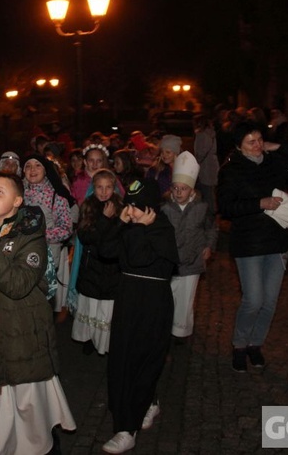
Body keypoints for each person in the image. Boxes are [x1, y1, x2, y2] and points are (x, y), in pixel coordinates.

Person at [0, 172, 76, 455]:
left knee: (26, 403)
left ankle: (38, 447)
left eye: (0, 192)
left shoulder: (30, 236)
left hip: (22, 332)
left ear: (18, 201)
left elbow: (19, 284)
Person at [217, 120, 288, 373]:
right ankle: (239, 345)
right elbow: (226, 207)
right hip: (249, 242)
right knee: (253, 300)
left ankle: (255, 344)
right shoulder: (231, 170)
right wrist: (259, 203)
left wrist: (278, 146)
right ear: (239, 146)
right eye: (251, 141)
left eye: (259, 139)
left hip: (279, 240)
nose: (257, 145)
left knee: (269, 301)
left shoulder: (275, 162)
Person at [99, 178, 179, 454]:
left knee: (143, 360)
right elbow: (106, 250)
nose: (131, 212)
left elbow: (139, 257)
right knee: (123, 361)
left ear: (152, 207)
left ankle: (127, 429)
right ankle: (147, 404)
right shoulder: (131, 225)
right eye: (129, 205)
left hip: (152, 305)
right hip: (128, 302)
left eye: (137, 207)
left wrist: (138, 229)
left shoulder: (161, 229)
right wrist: (120, 223)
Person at [160, 152, 217, 341]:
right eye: (175, 188)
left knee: (186, 299)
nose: (178, 192)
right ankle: (165, 327)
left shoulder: (202, 207)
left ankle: (180, 332)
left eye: (183, 189)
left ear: (192, 190)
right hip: (171, 260)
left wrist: (209, 245)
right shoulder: (165, 208)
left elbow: (211, 228)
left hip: (192, 260)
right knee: (168, 296)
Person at [70, 169, 123, 355]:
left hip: (111, 267)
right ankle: (89, 339)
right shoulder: (88, 206)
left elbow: (119, 234)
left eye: (108, 187)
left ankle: (104, 343)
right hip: (91, 266)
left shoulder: (120, 207)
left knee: (105, 309)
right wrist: (104, 219)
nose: (103, 191)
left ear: (114, 188)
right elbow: (85, 236)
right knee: (91, 306)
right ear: (94, 187)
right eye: (99, 187)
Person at [22, 154, 76, 314]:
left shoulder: (57, 196)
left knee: (41, 303)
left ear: (46, 170)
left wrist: (40, 235)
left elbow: (66, 228)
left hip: (48, 256)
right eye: (28, 166)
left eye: (37, 165)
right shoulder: (17, 193)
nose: (32, 170)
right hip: (22, 254)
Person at [192, 113, 220, 217]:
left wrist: (196, 162)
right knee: (209, 189)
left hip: (205, 165)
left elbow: (201, 152)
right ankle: (211, 210)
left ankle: (209, 212)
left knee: (206, 189)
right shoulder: (211, 133)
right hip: (211, 163)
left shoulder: (202, 135)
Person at [145, 134, 182, 199]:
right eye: (162, 152)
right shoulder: (155, 170)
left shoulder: (184, 169)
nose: (164, 155)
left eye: (168, 152)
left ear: (176, 153)